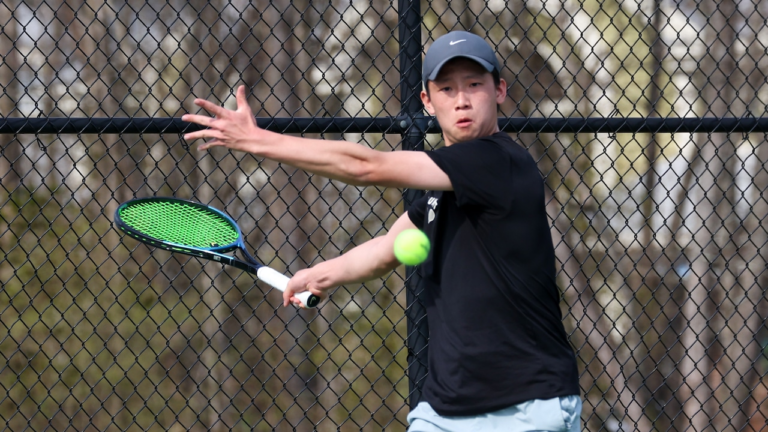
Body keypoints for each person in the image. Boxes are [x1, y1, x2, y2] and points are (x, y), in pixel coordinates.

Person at [182, 30, 581, 432]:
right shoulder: (444, 182)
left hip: (526, 405)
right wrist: (324, 274)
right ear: (427, 101)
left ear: (499, 91)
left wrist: (256, 139)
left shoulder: (498, 163)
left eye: (474, 85)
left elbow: (365, 167)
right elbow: (390, 245)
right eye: (446, 88)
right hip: (445, 410)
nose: (461, 100)